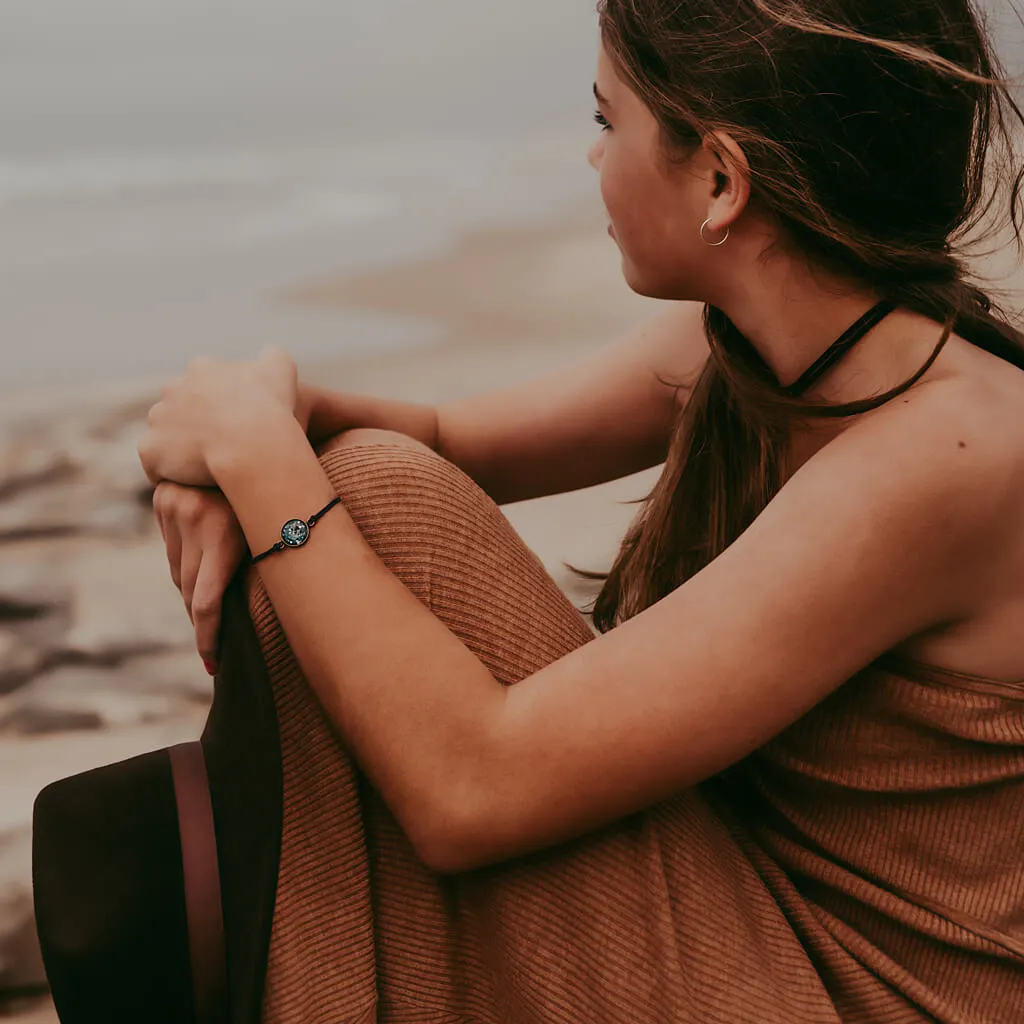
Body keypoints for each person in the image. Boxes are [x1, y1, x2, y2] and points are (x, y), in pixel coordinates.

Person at [137, 0, 1024, 1020]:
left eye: (607, 121)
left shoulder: (939, 457)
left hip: (856, 993)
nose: (588, 156)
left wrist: (261, 471)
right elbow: (441, 435)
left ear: (722, 181)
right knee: (363, 490)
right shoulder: (757, 348)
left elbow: (471, 789)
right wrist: (249, 437)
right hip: (749, 909)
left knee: (368, 506)